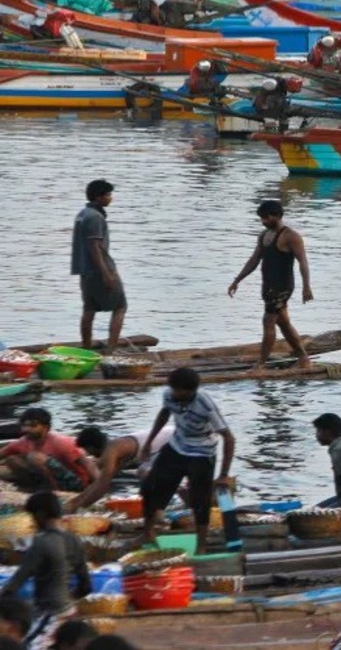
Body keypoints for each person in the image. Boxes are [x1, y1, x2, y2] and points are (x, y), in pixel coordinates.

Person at [139, 368, 236, 554]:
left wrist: (223, 474)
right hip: (177, 446)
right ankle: (148, 532)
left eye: (180, 392)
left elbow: (229, 438)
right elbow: (164, 414)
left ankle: (201, 545)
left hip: (202, 452)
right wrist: (149, 442)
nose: (175, 394)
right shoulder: (169, 394)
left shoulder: (205, 404)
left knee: (200, 500)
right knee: (150, 486)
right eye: (174, 390)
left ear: (190, 391)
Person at [228, 200, 314, 371]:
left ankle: (261, 364)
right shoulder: (264, 235)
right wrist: (237, 280)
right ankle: (304, 358)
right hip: (268, 286)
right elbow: (254, 260)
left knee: (268, 322)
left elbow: (302, 262)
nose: (263, 222)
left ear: (276, 216)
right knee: (283, 323)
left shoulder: (291, 236)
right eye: (262, 219)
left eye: (266, 218)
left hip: (282, 287)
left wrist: (306, 287)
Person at [0, 492, 91, 650]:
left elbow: (16, 583)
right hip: (70, 611)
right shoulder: (74, 540)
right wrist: (67, 599)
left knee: (25, 647)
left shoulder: (42, 543)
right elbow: (86, 586)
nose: (33, 523)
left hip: (49, 614)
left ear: (40, 515)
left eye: (33, 517)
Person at [66, 425, 175, 513]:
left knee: (144, 473)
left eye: (87, 451)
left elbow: (103, 487)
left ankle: (158, 510)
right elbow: (99, 482)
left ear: (91, 447)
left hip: (170, 438)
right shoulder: (113, 448)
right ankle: (158, 508)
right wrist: (75, 501)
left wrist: (80, 508)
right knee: (144, 474)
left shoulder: (111, 451)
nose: (90, 454)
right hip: (166, 437)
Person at [72, 179, 126, 352]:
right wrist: (106, 274)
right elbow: (95, 247)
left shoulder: (82, 214)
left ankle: (86, 348)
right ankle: (111, 349)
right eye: (108, 195)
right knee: (120, 306)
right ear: (99, 197)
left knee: (89, 309)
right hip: (100, 269)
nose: (111, 198)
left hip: (86, 272)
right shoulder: (95, 217)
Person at [0, 409, 97, 493]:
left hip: (76, 483)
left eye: (33, 425)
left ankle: (52, 492)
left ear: (46, 428)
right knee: (12, 460)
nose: (27, 429)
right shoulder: (23, 442)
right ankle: (34, 489)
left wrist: (100, 488)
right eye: (24, 425)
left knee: (35, 457)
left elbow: (88, 464)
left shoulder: (61, 442)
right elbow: (2, 453)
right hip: (46, 481)